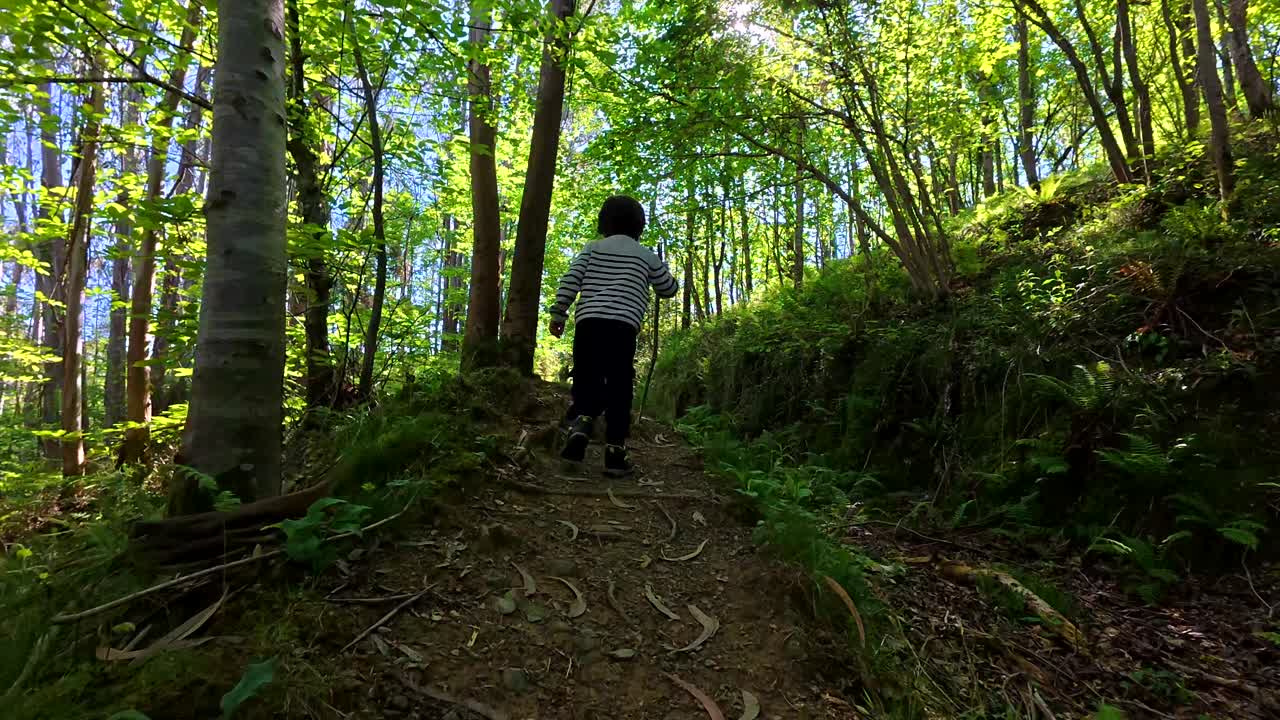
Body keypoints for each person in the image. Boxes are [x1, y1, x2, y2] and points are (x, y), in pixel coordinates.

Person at [549, 195, 679, 477]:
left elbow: (571, 280)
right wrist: (667, 276)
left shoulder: (592, 248)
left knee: (586, 374)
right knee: (620, 383)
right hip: (623, 326)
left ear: (604, 222)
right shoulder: (645, 254)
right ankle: (615, 452)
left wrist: (559, 313)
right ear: (639, 225)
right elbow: (668, 289)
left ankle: (582, 422)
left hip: (589, 324)